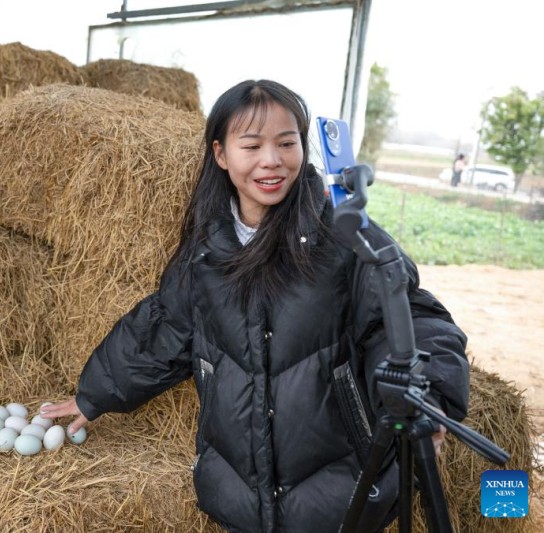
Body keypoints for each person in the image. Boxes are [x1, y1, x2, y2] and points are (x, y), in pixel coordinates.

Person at [41, 80, 469, 533]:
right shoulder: (206, 249)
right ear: (222, 155)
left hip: (339, 494)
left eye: (287, 143)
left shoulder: (344, 235)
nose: (272, 160)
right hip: (235, 493)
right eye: (252, 145)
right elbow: (167, 330)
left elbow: (407, 317)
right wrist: (94, 395)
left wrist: (426, 393)